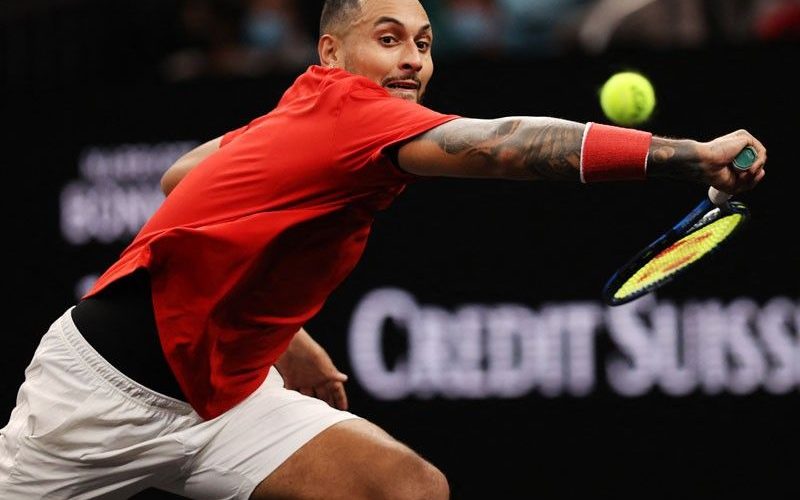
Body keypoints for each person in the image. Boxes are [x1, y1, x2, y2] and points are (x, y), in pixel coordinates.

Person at [0, 0, 767, 498]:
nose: (412, 60)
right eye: (389, 39)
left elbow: (180, 176)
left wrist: (282, 338)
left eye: (424, 44)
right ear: (332, 51)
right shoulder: (356, 115)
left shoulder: (305, 104)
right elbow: (500, 145)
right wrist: (687, 156)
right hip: (98, 397)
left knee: (409, 489)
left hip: (226, 397)